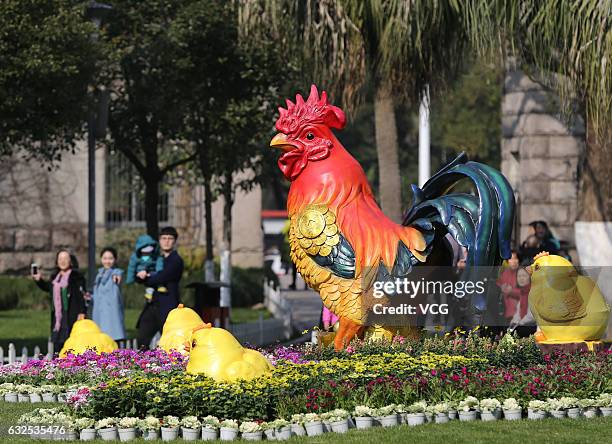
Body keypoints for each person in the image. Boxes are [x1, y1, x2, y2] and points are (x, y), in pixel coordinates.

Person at [136, 227, 184, 349]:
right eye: (163, 238)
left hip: (168, 307)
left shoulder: (176, 260)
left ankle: (170, 367)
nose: (166, 241)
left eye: (170, 238)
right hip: (152, 305)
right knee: (142, 339)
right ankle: (145, 366)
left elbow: (162, 277)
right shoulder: (155, 258)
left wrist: (146, 278)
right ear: (159, 240)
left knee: (170, 342)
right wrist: (141, 275)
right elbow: (138, 275)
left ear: (174, 241)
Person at [32, 249, 87, 353]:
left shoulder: (77, 277)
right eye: (60, 259)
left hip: (72, 314)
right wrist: (39, 280)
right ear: (57, 262)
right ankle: (59, 364)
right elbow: (49, 289)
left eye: (65, 258)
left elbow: (82, 296)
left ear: (70, 261)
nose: (63, 261)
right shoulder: (55, 277)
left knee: (72, 342)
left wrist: (82, 312)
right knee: (58, 343)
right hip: (59, 317)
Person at [90, 247, 126, 341]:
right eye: (105, 258)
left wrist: (116, 278)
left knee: (113, 343)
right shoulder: (99, 275)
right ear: (101, 259)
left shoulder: (117, 272)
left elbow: (118, 278)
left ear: (115, 260)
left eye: (110, 258)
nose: (107, 261)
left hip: (111, 315)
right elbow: (98, 294)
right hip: (99, 314)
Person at [126, 234, 164, 302]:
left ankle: (159, 286)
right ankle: (149, 293)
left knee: (156, 277)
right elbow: (131, 267)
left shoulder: (155, 256)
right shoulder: (135, 257)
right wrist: (130, 279)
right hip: (140, 272)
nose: (146, 254)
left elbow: (159, 262)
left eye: (148, 252)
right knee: (148, 282)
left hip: (152, 272)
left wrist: (159, 271)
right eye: (144, 252)